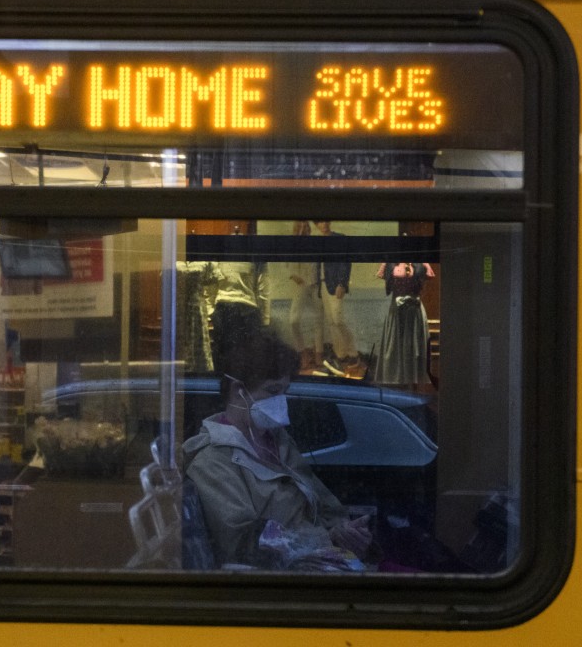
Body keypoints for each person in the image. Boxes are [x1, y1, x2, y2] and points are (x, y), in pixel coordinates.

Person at [182, 326, 376, 570]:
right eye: (273, 391)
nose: (280, 401)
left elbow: (323, 504)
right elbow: (242, 543)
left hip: (317, 562)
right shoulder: (211, 461)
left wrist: (345, 531)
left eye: (285, 392)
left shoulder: (278, 441)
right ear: (238, 391)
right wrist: (327, 539)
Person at [288, 221, 360, 376]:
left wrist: (342, 283)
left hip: (328, 286)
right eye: (320, 223)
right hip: (314, 287)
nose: (323, 225)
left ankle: (346, 355)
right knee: (325, 322)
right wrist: (295, 276)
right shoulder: (307, 243)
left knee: (334, 320)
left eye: (325, 221)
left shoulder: (332, 240)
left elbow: (343, 262)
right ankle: (334, 356)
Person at [372, 261, 435, 387]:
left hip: (415, 312)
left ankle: (414, 382)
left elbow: (428, 276)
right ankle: (395, 382)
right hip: (397, 311)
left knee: (414, 345)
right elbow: (383, 275)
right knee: (395, 343)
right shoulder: (389, 265)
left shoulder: (422, 264)